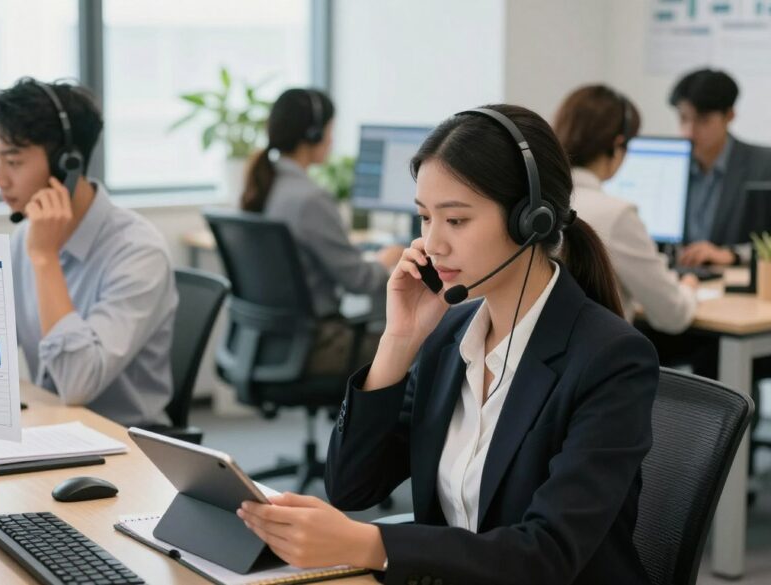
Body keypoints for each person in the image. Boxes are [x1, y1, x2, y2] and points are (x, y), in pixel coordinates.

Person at [237, 105, 658, 584]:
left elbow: (548, 555)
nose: (432, 244)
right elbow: (351, 485)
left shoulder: (611, 359)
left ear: (531, 221)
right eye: (424, 218)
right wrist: (399, 341)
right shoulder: (447, 340)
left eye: (455, 221)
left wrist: (366, 543)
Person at [0, 78, 177, 427]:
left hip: (126, 447)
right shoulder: (26, 239)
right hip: (55, 429)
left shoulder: (138, 253)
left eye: (14, 162)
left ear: (66, 164)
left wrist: (45, 259)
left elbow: (76, 383)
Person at [241, 88, 404, 372]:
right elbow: (360, 280)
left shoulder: (264, 186)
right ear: (314, 134)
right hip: (318, 346)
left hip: (272, 343)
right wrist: (387, 258)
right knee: (417, 342)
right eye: (330, 129)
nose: (331, 139)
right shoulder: (310, 199)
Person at [553, 84, 698, 334]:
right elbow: (672, 315)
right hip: (602, 360)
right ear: (618, 143)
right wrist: (688, 286)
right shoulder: (615, 214)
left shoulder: (541, 201)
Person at [669, 68, 771, 267]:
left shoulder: (764, 165)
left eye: (702, 120)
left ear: (729, 116)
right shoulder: (672, 166)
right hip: (679, 281)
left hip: (734, 285)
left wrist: (733, 254)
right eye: (683, 119)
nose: (689, 131)